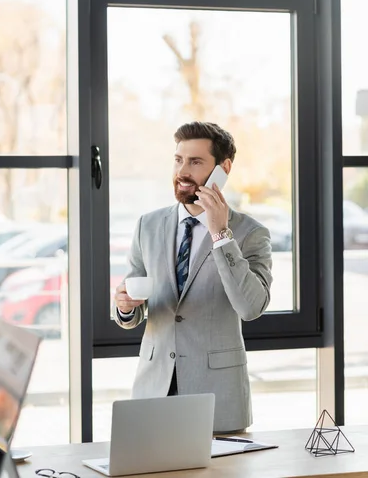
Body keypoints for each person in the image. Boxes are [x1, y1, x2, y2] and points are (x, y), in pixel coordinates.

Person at [113, 121, 273, 433]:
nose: (182, 171)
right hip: (153, 389)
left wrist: (220, 234)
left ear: (223, 169)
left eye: (195, 162)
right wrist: (125, 306)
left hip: (217, 395)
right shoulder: (148, 225)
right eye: (178, 160)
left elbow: (251, 307)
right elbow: (134, 310)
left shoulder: (250, 233)